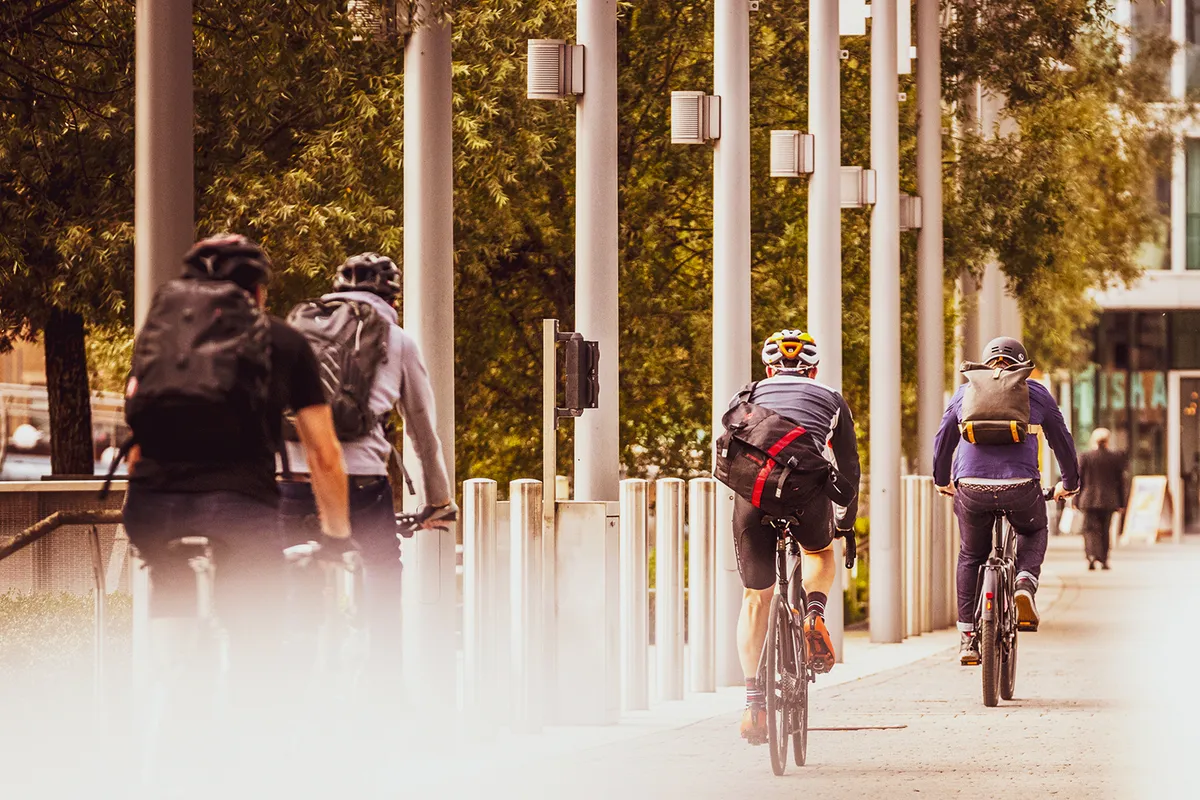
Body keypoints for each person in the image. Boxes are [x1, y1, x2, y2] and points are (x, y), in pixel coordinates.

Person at [121, 235, 353, 722]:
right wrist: (336, 538)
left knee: (175, 602)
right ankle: (251, 742)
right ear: (259, 292)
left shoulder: (159, 340)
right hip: (239, 512)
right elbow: (324, 454)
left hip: (154, 509)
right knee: (256, 642)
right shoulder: (283, 342)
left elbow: (136, 438)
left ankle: (165, 702)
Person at [279, 252, 455, 708]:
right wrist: (438, 500)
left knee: (291, 575)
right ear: (391, 296)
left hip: (293, 479)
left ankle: (289, 688)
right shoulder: (396, 341)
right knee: (381, 567)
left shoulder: (295, 333)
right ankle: (384, 692)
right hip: (360, 481)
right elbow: (421, 430)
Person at [733, 330, 860, 744]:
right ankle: (814, 614)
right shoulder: (831, 398)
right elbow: (849, 465)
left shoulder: (746, 396)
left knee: (755, 598)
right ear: (814, 369)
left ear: (769, 369)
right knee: (820, 550)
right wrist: (846, 520)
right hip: (807, 493)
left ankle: (754, 702)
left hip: (754, 496)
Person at [933, 336, 1079, 666]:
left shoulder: (966, 389)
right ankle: (1025, 582)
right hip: (1021, 486)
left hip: (971, 486)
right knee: (1033, 530)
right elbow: (1061, 441)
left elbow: (943, 439)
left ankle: (968, 636)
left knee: (971, 554)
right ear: (1022, 364)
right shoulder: (1035, 391)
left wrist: (942, 480)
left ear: (987, 363)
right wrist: (1069, 483)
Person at [1077, 427, 1126, 570]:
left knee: (1090, 529)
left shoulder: (1085, 457)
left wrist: (1075, 500)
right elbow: (1121, 482)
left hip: (1088, 499)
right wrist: (1122, 502)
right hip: (1109, 500)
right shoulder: (1115, 458)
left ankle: (1091, 556)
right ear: (1107, 441)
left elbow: (1079, 480)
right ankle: (1104, 559)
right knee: (1105, 530)